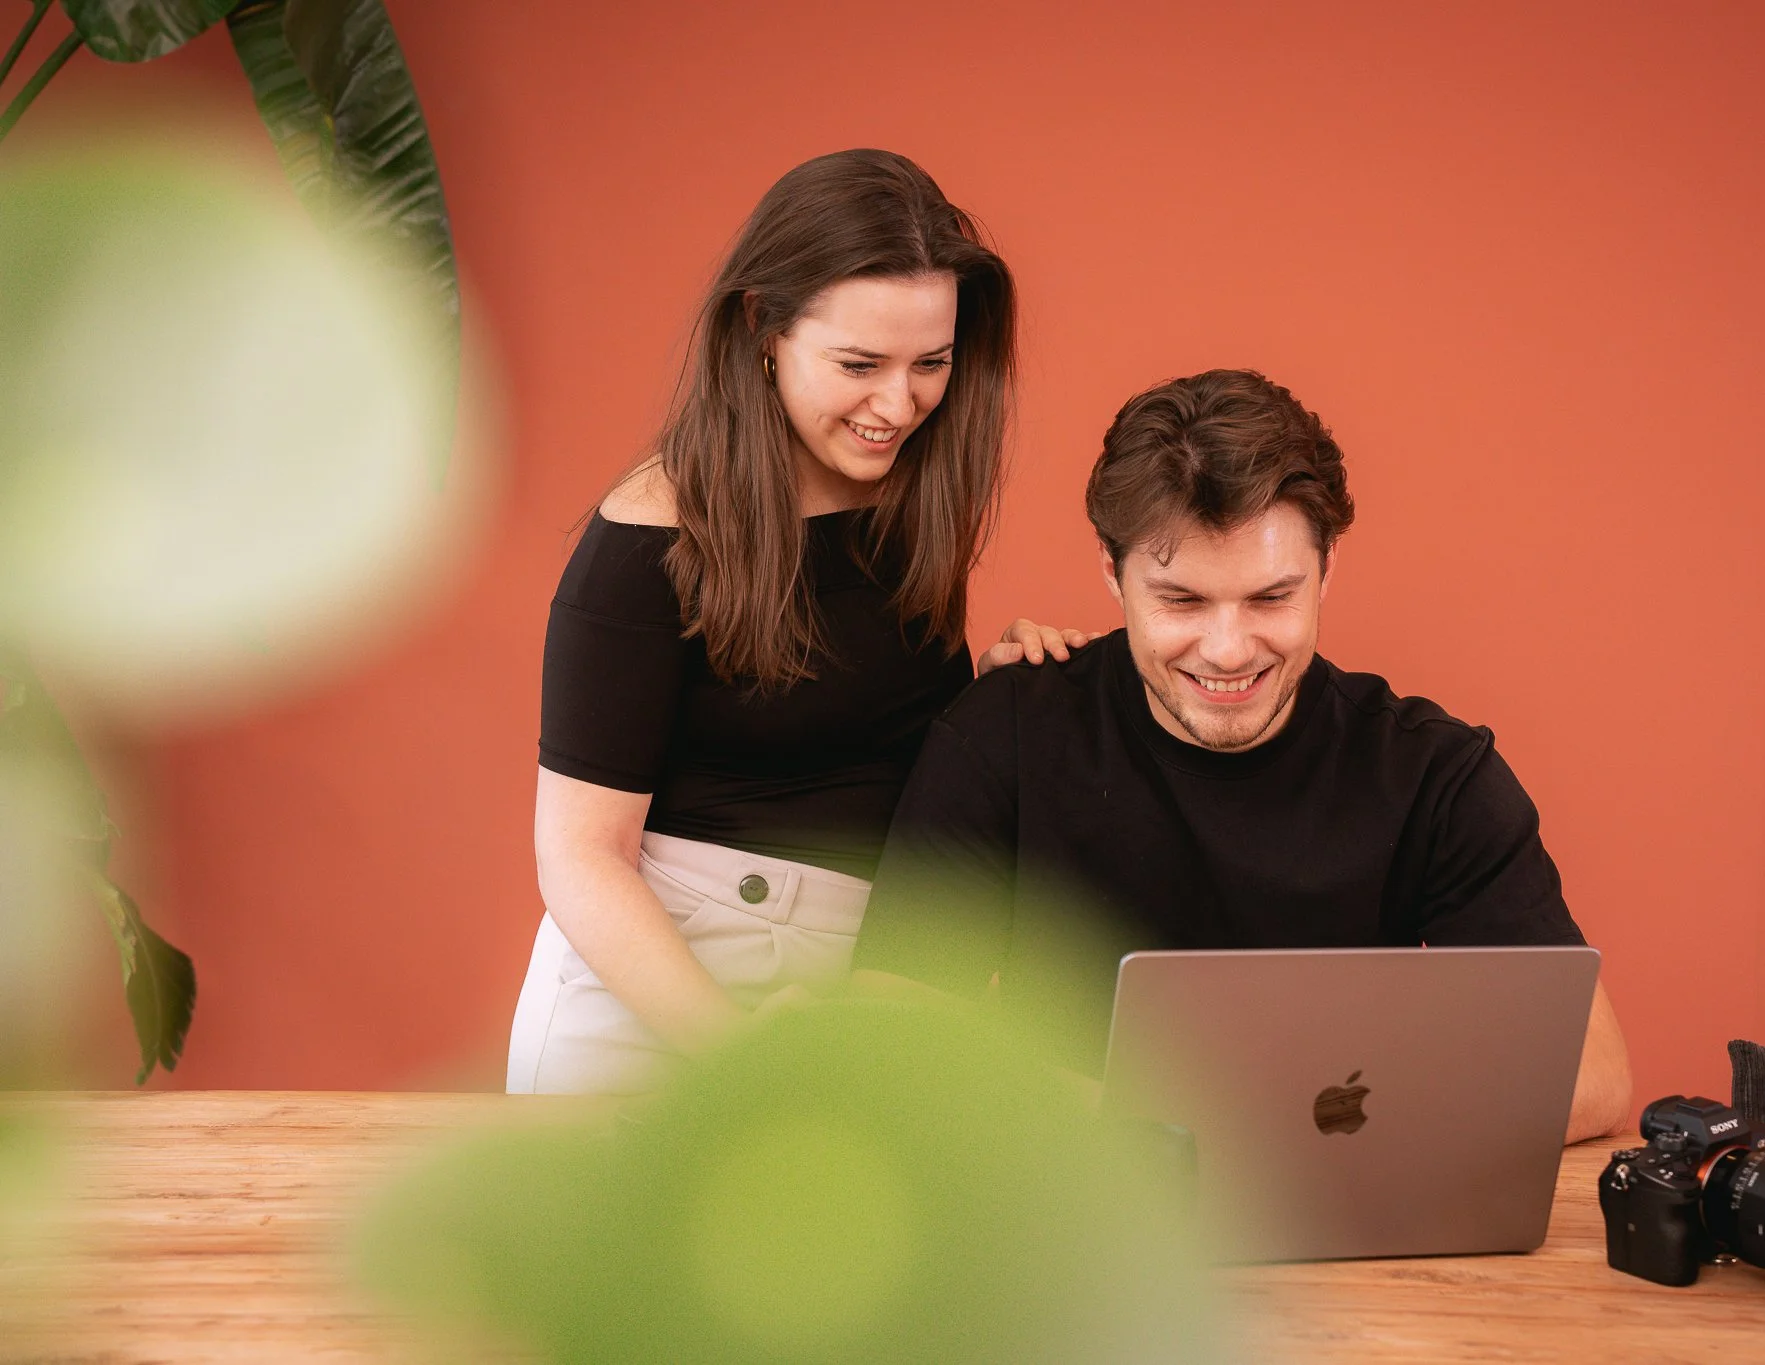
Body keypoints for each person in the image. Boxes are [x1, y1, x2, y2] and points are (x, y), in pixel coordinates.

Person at [852, 368, 1633, 1142]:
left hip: (1348, 1218)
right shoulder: (1006, 731)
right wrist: (1191, 1132)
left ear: (1327, 570)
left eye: (1270, 598)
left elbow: (1593, 1072)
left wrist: (1318, 1136)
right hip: (1072, 1219)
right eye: (1181, 600)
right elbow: (892, 1035)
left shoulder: (1433, 773)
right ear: (1110, 571)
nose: (1228, 651)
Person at [507, 150, 1089, 1094]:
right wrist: (738, 1052)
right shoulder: (649, 536)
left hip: (852, 998)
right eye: (859, 364)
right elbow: (580, 856)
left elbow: (850, 736)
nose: (898, 405)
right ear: (762, 328)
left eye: (931, 364)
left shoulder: (910, 501)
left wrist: (988, 708)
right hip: (658, 1006)